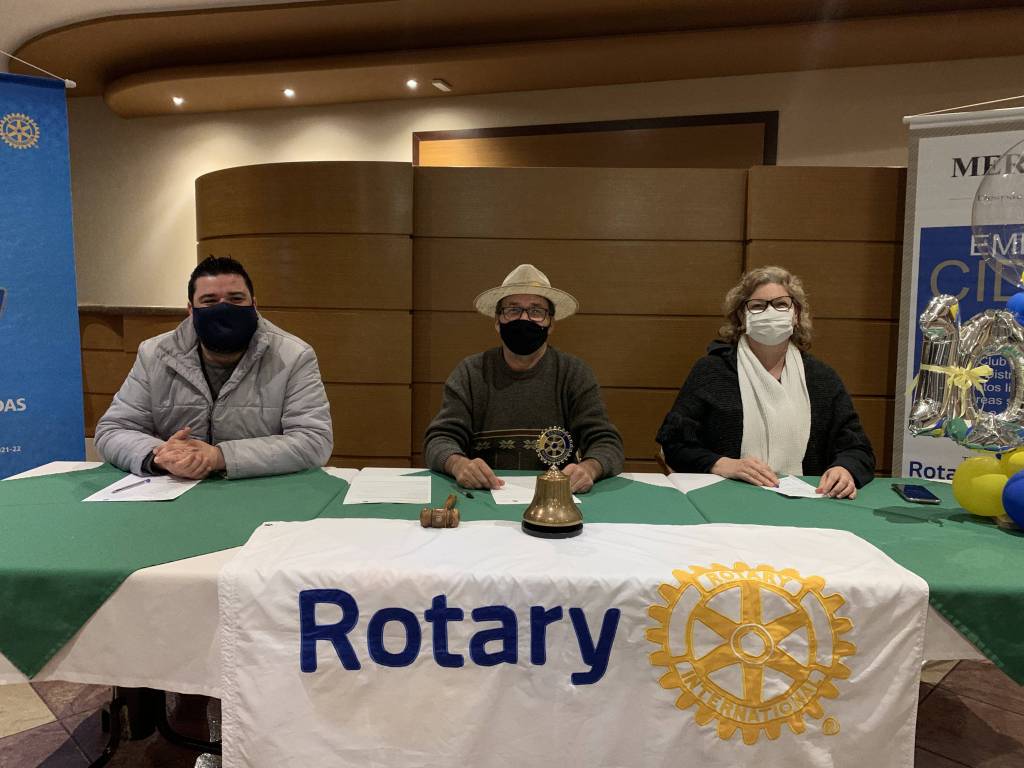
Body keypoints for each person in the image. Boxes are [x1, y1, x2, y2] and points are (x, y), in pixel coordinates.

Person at [95, 256, 333, 479]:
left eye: (236, 299)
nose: (223, 309)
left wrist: (220, 457)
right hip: (173, 488)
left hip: (257, 492)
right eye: (209, 301)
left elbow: (314, 441)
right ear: (191, 310)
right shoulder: (154, 354)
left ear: (254, 304)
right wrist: (161, 456)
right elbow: (113, 430)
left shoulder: (293, 357)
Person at [656, 265, 873, 499]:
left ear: (796, 315)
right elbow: (674, 443)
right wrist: (722, 464)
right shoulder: (711, 372)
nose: (770, 312)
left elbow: (858, 449)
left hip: (806, 504)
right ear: (742, 316)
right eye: (758, 306)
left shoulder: (822, 379)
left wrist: (844, 469)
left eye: (781, 304)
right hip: (725, 500)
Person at [424, 264, 624, 493]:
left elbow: (607, 443)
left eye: (536, 311)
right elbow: (438, 439)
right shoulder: (470, 373)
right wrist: (458, 464)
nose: (524, 318)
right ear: (497, 321)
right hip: (481, 494)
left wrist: (589, 468)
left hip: (558, 498)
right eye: (513, 310)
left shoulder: (575, 374)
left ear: (551, 324)